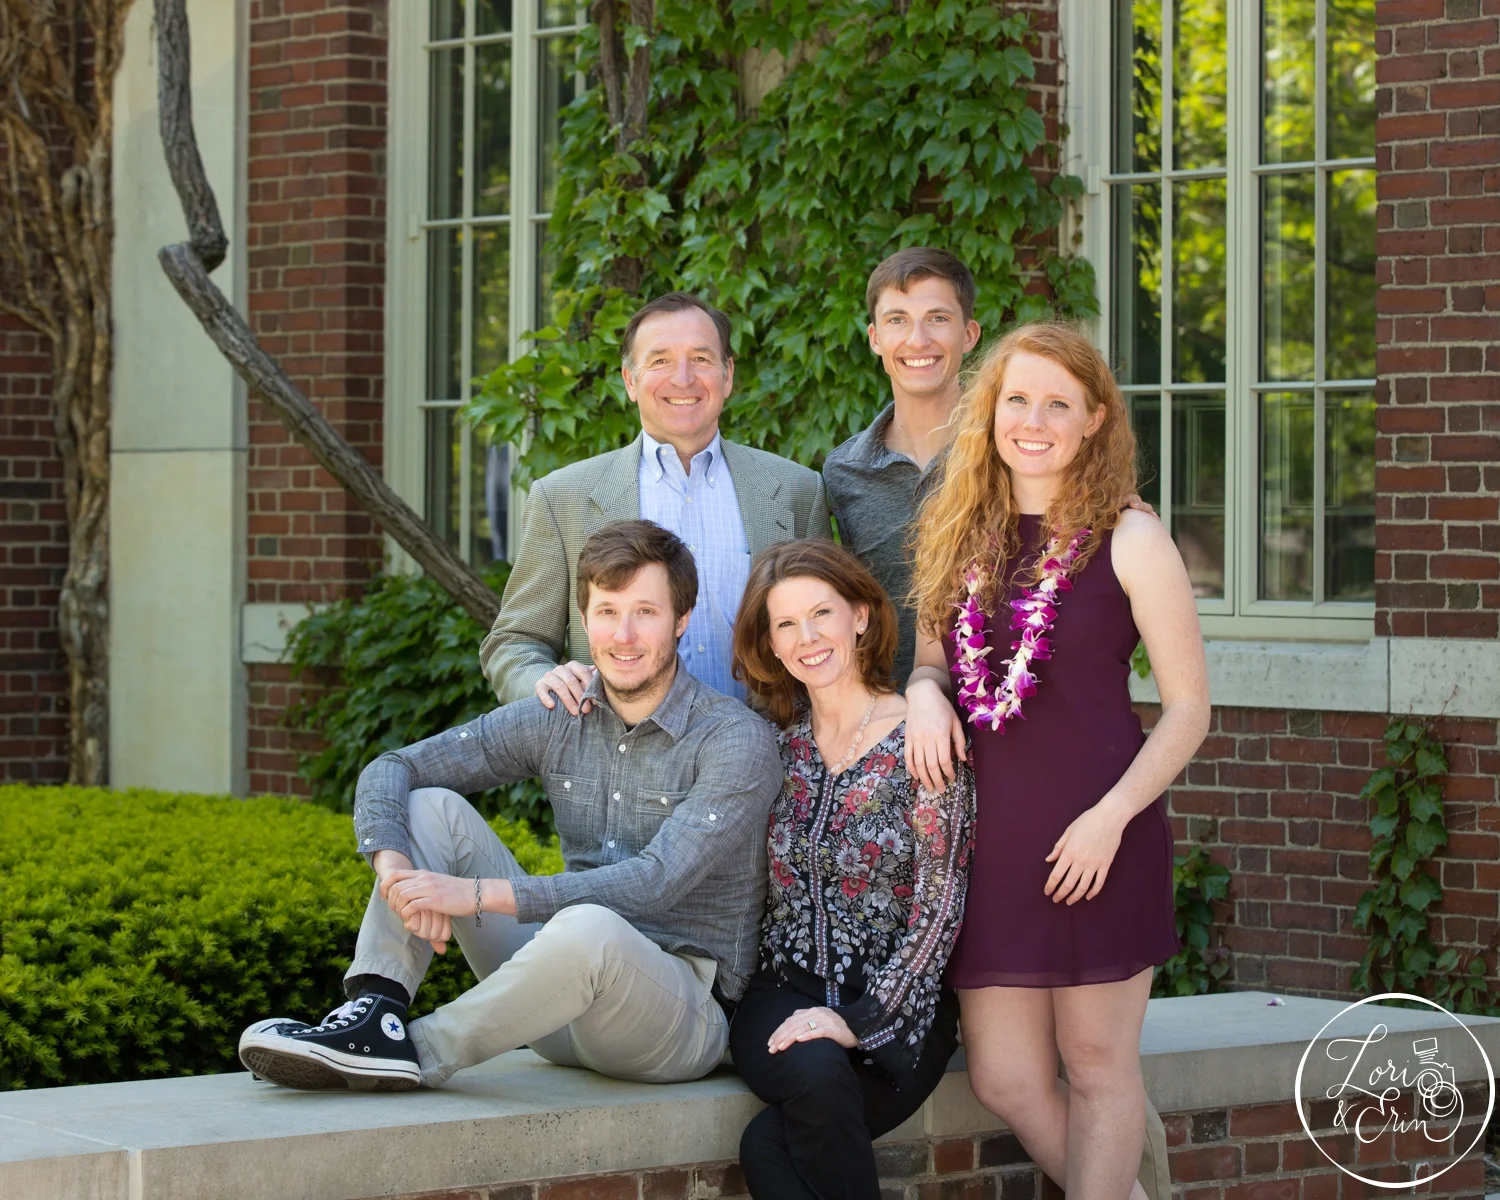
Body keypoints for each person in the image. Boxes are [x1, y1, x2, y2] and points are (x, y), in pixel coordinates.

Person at [239, 521, 782, 1092]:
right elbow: (394, 767)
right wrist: (395, 869)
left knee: (588, 927)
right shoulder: (561, 713)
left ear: (682, 620)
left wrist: (471, 895)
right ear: (584, 618)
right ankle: (377, 1006)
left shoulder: (734, 739)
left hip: (675, 1019)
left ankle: (411, 1049)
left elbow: (654, 883)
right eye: (606, 611)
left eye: (645, 612)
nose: (624, 634)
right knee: (430, 808)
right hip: (555, 1001)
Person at [904, 323, 1211, 1200]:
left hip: (1100, 837)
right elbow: (932, 664)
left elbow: (1190, 709)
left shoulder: (1132, 538)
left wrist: (1112, 818)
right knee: (1003, 1076)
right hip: (991, 846)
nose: (1032, 420)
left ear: (1094, 420)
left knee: (1098, 1065)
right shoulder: (958, 530)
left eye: (1057, 404)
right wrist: (926, 695)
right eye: (1017, 399)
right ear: (990, 411)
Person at [727, 539, 974, 1200]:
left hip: (901, 1009)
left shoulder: (923, 738)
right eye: (786, 624)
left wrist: (862, 1019)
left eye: (822, 613)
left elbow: (942, 901)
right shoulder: (774, 749)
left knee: (767, 1146)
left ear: (861, 615)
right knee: (815, 1075)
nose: (807, 637)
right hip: (782, 992)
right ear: (772, 644)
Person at [481, 292, 832, 710]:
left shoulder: (797, 490)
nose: (682, 378)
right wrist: (546, 682)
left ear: (728, 375)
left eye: (701, 359)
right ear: (630, 381)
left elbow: (831, 632)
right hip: (619, 762)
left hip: (772, 757)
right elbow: (516, 642)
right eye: (660, 360)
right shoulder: (563, 499)